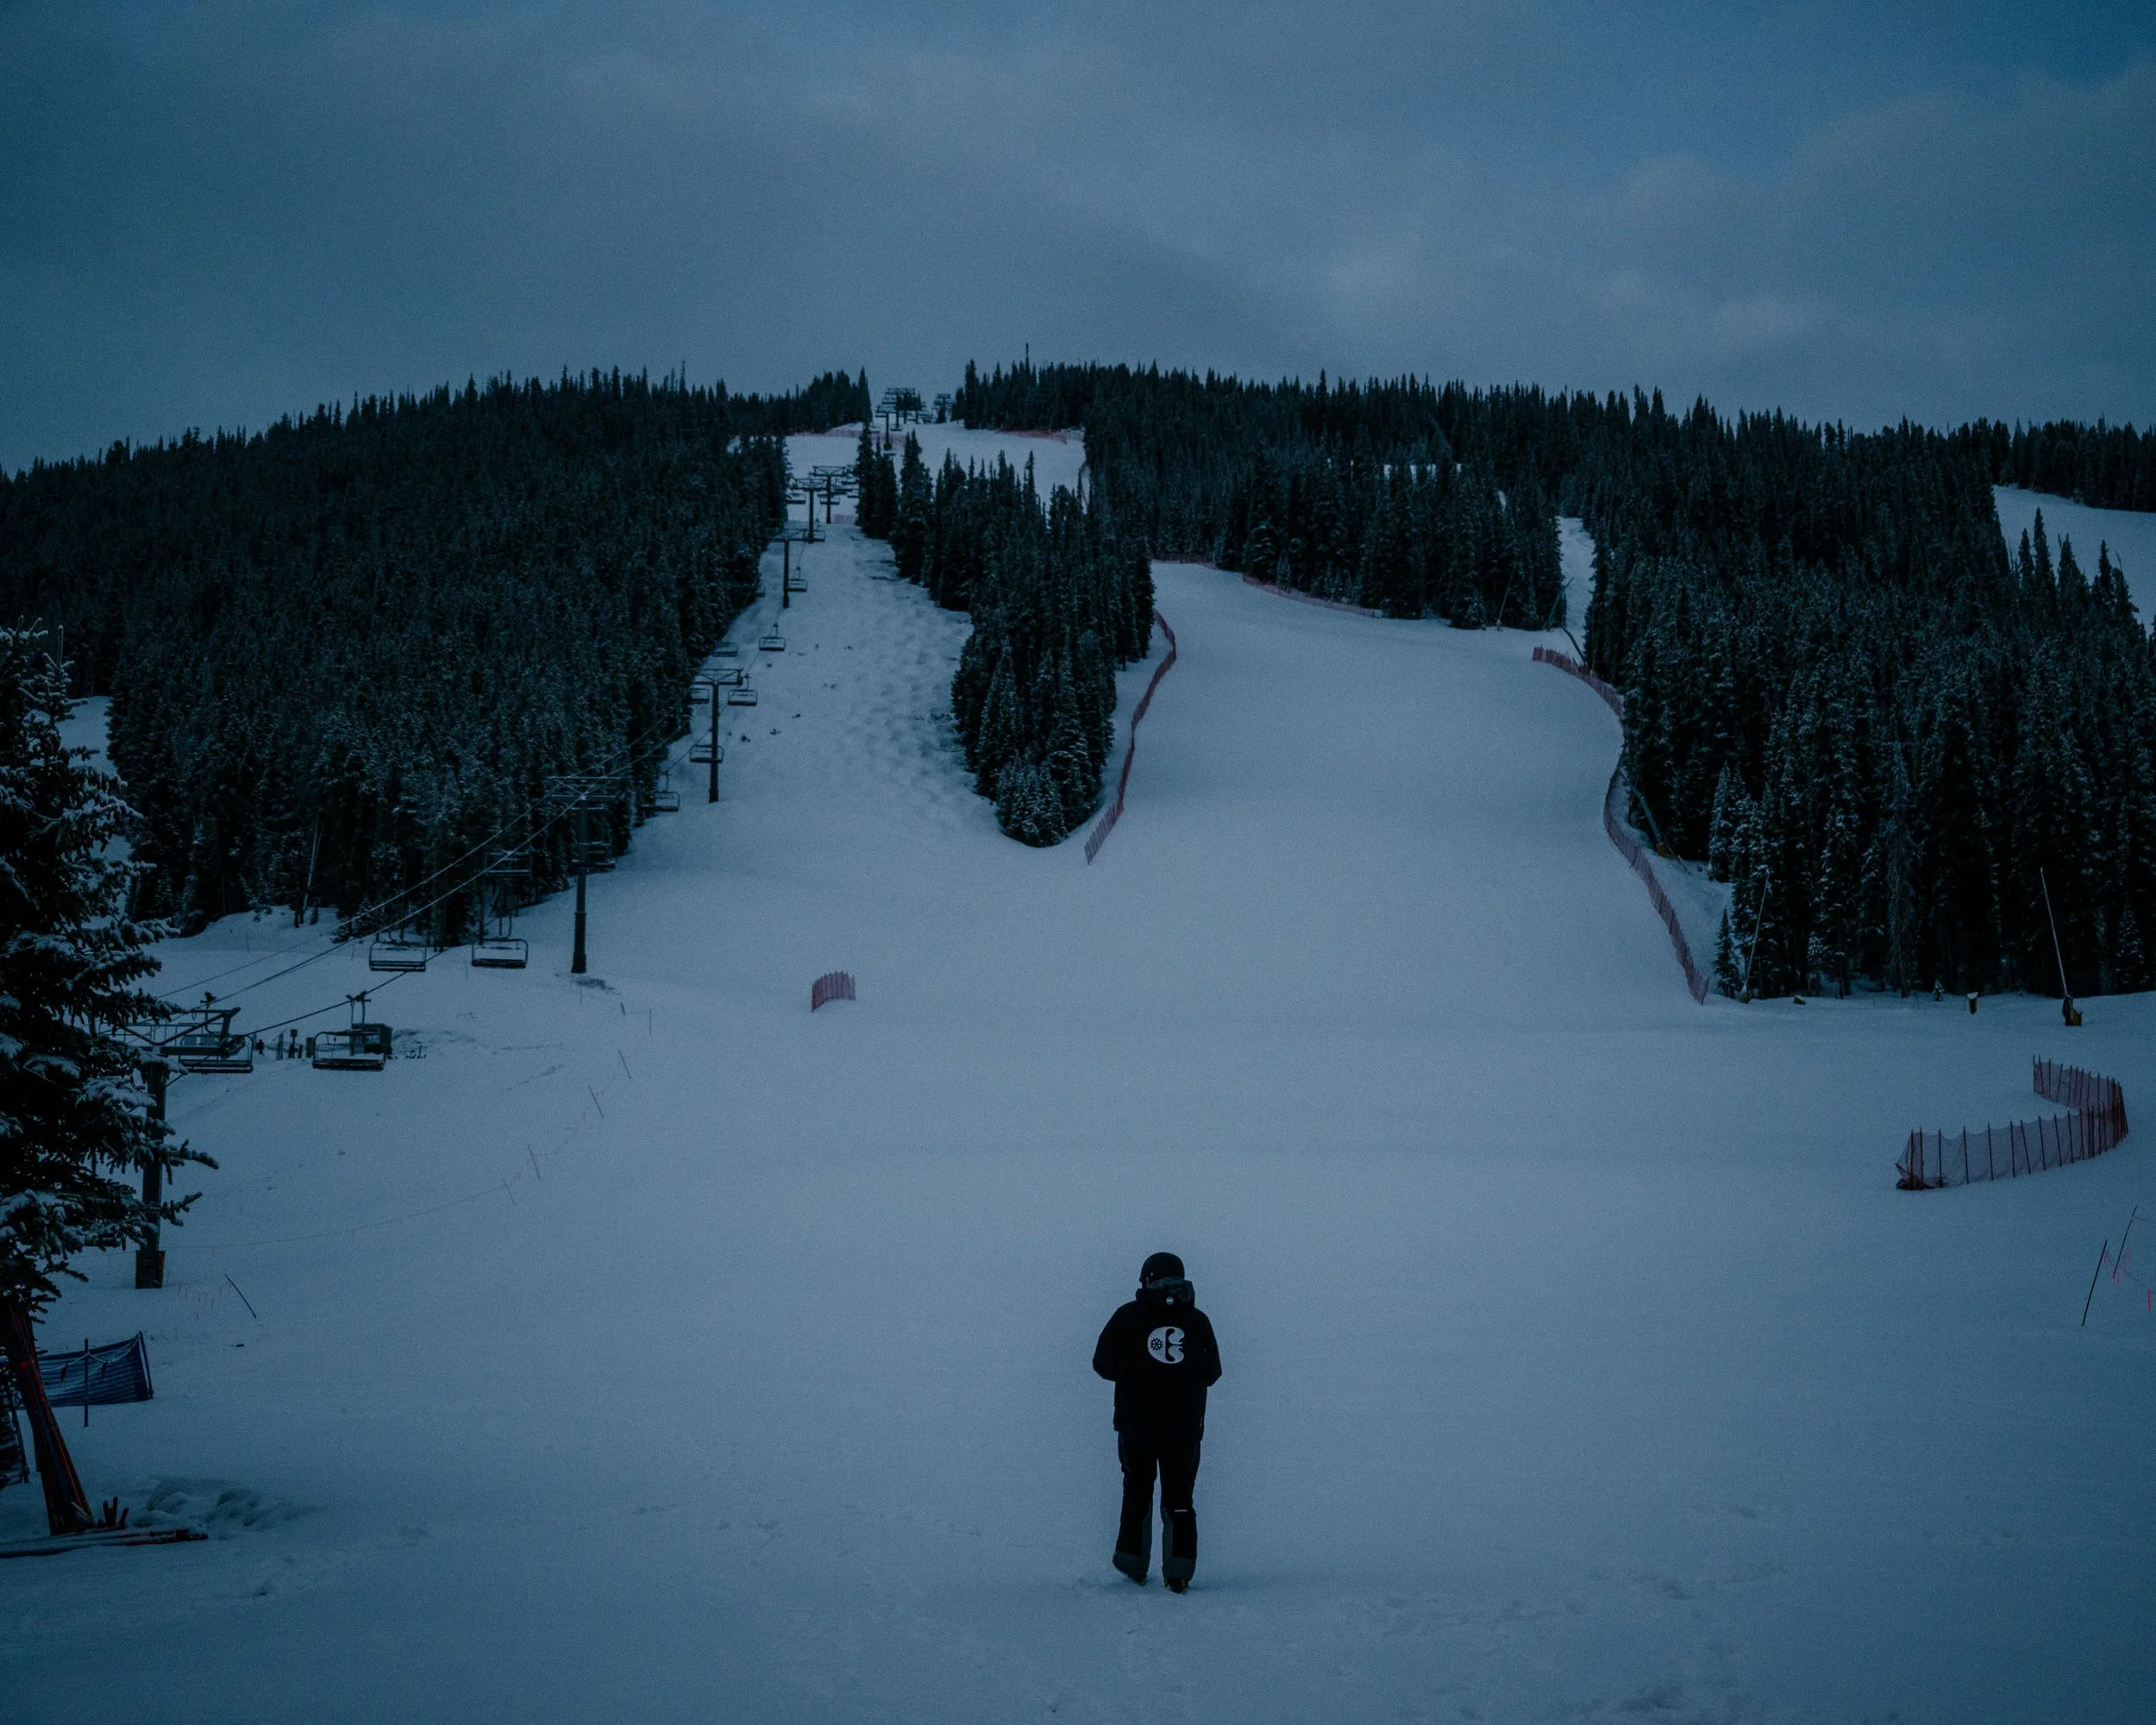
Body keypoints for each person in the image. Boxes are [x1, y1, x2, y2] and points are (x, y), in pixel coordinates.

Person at [1092, 1251, 1221, 1591]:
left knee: (1137, 1490)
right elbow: (1213, 1372)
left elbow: (1102, 1364)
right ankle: (1179, 1572)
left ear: (1146, 1279)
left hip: (1136, 1425)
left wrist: (1136, 1375)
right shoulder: (1198, 1321)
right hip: (1185, 1428)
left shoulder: (1127, 1317)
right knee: (1180, 1498)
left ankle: (1133, 1563)